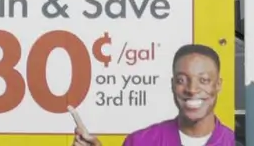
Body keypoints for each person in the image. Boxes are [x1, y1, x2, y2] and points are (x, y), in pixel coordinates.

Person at [70, 44, 234, 146]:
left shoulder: (236, 142)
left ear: (218, 85)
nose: (191, 89)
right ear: (172, 85)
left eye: (203, 80)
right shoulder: (140, 142)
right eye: (182, 80)